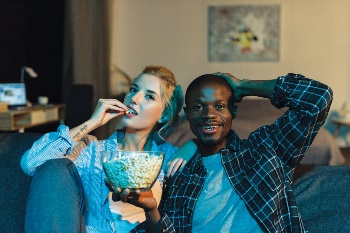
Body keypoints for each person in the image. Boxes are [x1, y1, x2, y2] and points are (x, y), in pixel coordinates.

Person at [113, 72, 333, 232]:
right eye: (199, 107)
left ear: (233, 111)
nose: (209, 114)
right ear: (187, 115)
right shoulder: (179, 173)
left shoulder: (266, 149)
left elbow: (317, 99)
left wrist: (244, 86)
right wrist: (152, 211)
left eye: (219, 106)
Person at [20, 65, 195, 233]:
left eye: (149, 96)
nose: (134, 98)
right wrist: (92, 122)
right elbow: (31, 163)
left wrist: (193, 145)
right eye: (134, 90)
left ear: (164, 114)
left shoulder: (170, 156)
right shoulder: (91, 151)